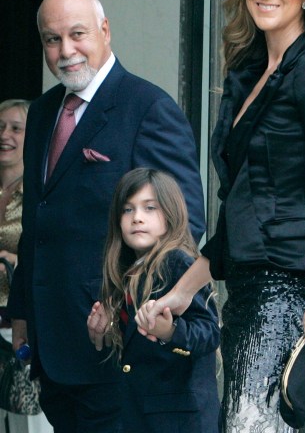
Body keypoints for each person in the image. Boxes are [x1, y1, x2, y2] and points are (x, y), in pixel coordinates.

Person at [131, 0, 305, 431]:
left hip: (285, 293)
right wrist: (180, 294)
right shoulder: (248, 72)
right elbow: (239, 212)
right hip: (244, 295)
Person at [6, 0, 205, 433]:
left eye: (78, 34)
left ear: (105, 30)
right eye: (52, 40)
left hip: (118, 351)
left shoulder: (148, 108)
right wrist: (22, 312)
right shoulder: (41, 113)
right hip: (51, 345)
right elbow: (38, 221)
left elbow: (185, 221)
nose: (66, 51)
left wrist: (130, 315)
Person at [95, 167, 220, 432]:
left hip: (180, 420)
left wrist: (170, 331)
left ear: (171, 213)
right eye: (127, 210)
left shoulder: (179, 263)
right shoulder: (127, 270)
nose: (137, 218)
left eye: (150, 208)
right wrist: (104, 330)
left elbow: (209, 333)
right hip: (142, 416)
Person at [0, 99, 53, 433]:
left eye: (16, 128)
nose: (5, 134)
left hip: (17, 325)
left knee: (28, 426)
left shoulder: (43, 190)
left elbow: (47, 249)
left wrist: (8, 261)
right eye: (0, 126)